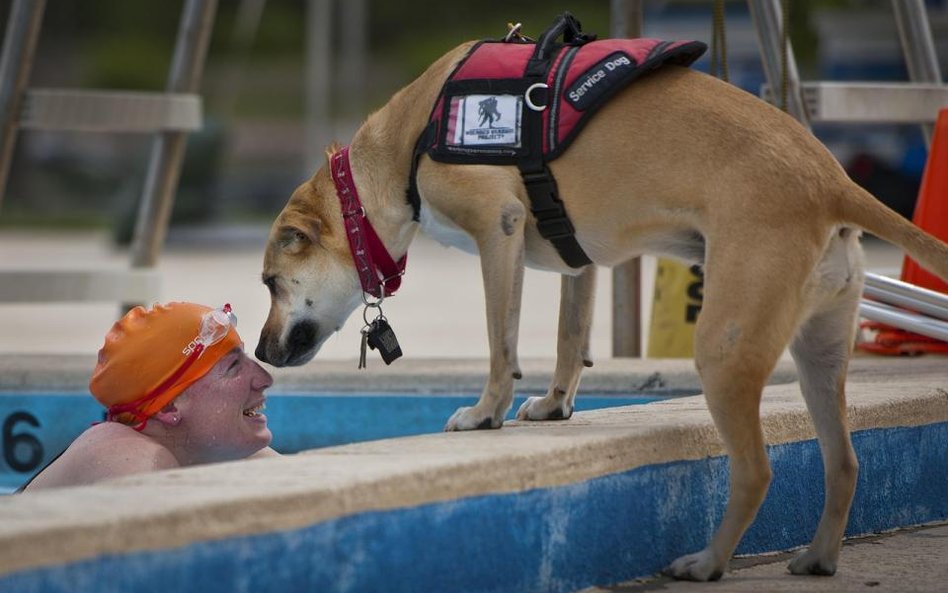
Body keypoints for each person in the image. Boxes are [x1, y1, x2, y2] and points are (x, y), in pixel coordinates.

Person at [21, 301, 278, 491]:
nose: (264, 380)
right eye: (233, 368)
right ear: (168, 408)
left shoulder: (231, 452)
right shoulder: (132, 461)